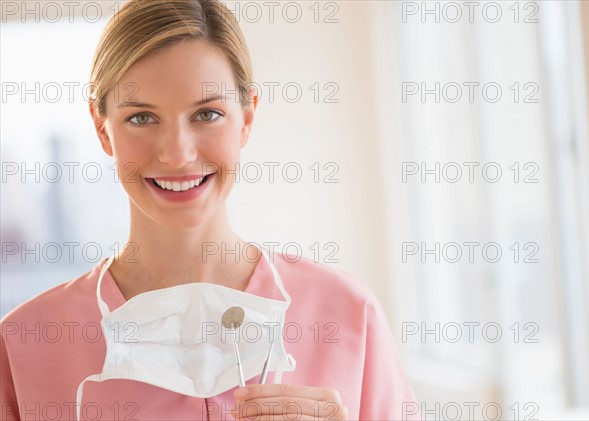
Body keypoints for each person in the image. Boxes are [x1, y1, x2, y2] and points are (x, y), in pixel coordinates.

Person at [0, 1, 419, 419]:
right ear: (101, 127)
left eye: (207, 113)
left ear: (247, 118)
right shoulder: (26, 342)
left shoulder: (347, 315)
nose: (177, 155)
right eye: (142, 118)